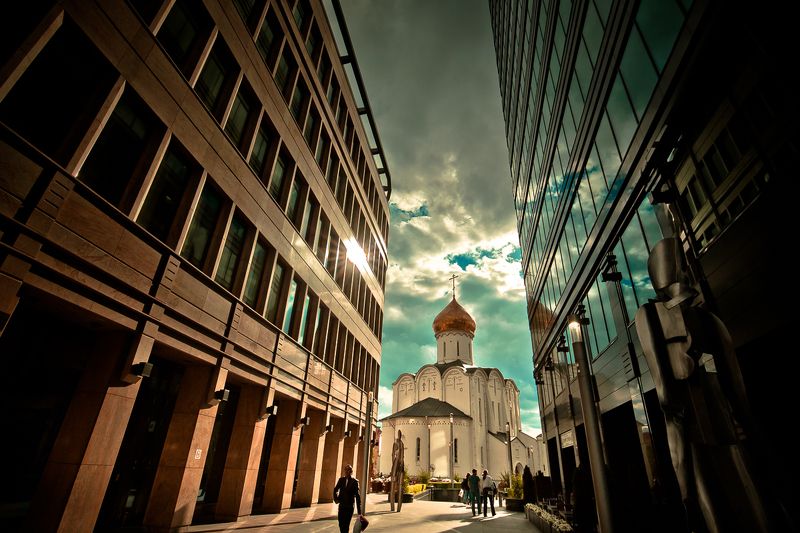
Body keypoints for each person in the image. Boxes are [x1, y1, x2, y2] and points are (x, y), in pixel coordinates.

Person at [333, 464, 362, 533]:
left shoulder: (355, 481)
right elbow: (335, 489)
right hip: (342, 505)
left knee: (346, 524)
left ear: (351, 471)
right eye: (346, 470)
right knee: (340, 523)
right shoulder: (341, 480)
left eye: (348, 470)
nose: (347, 471)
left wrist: (359, 512)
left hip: (349, 506)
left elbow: (358, 496)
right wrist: (336, 499)